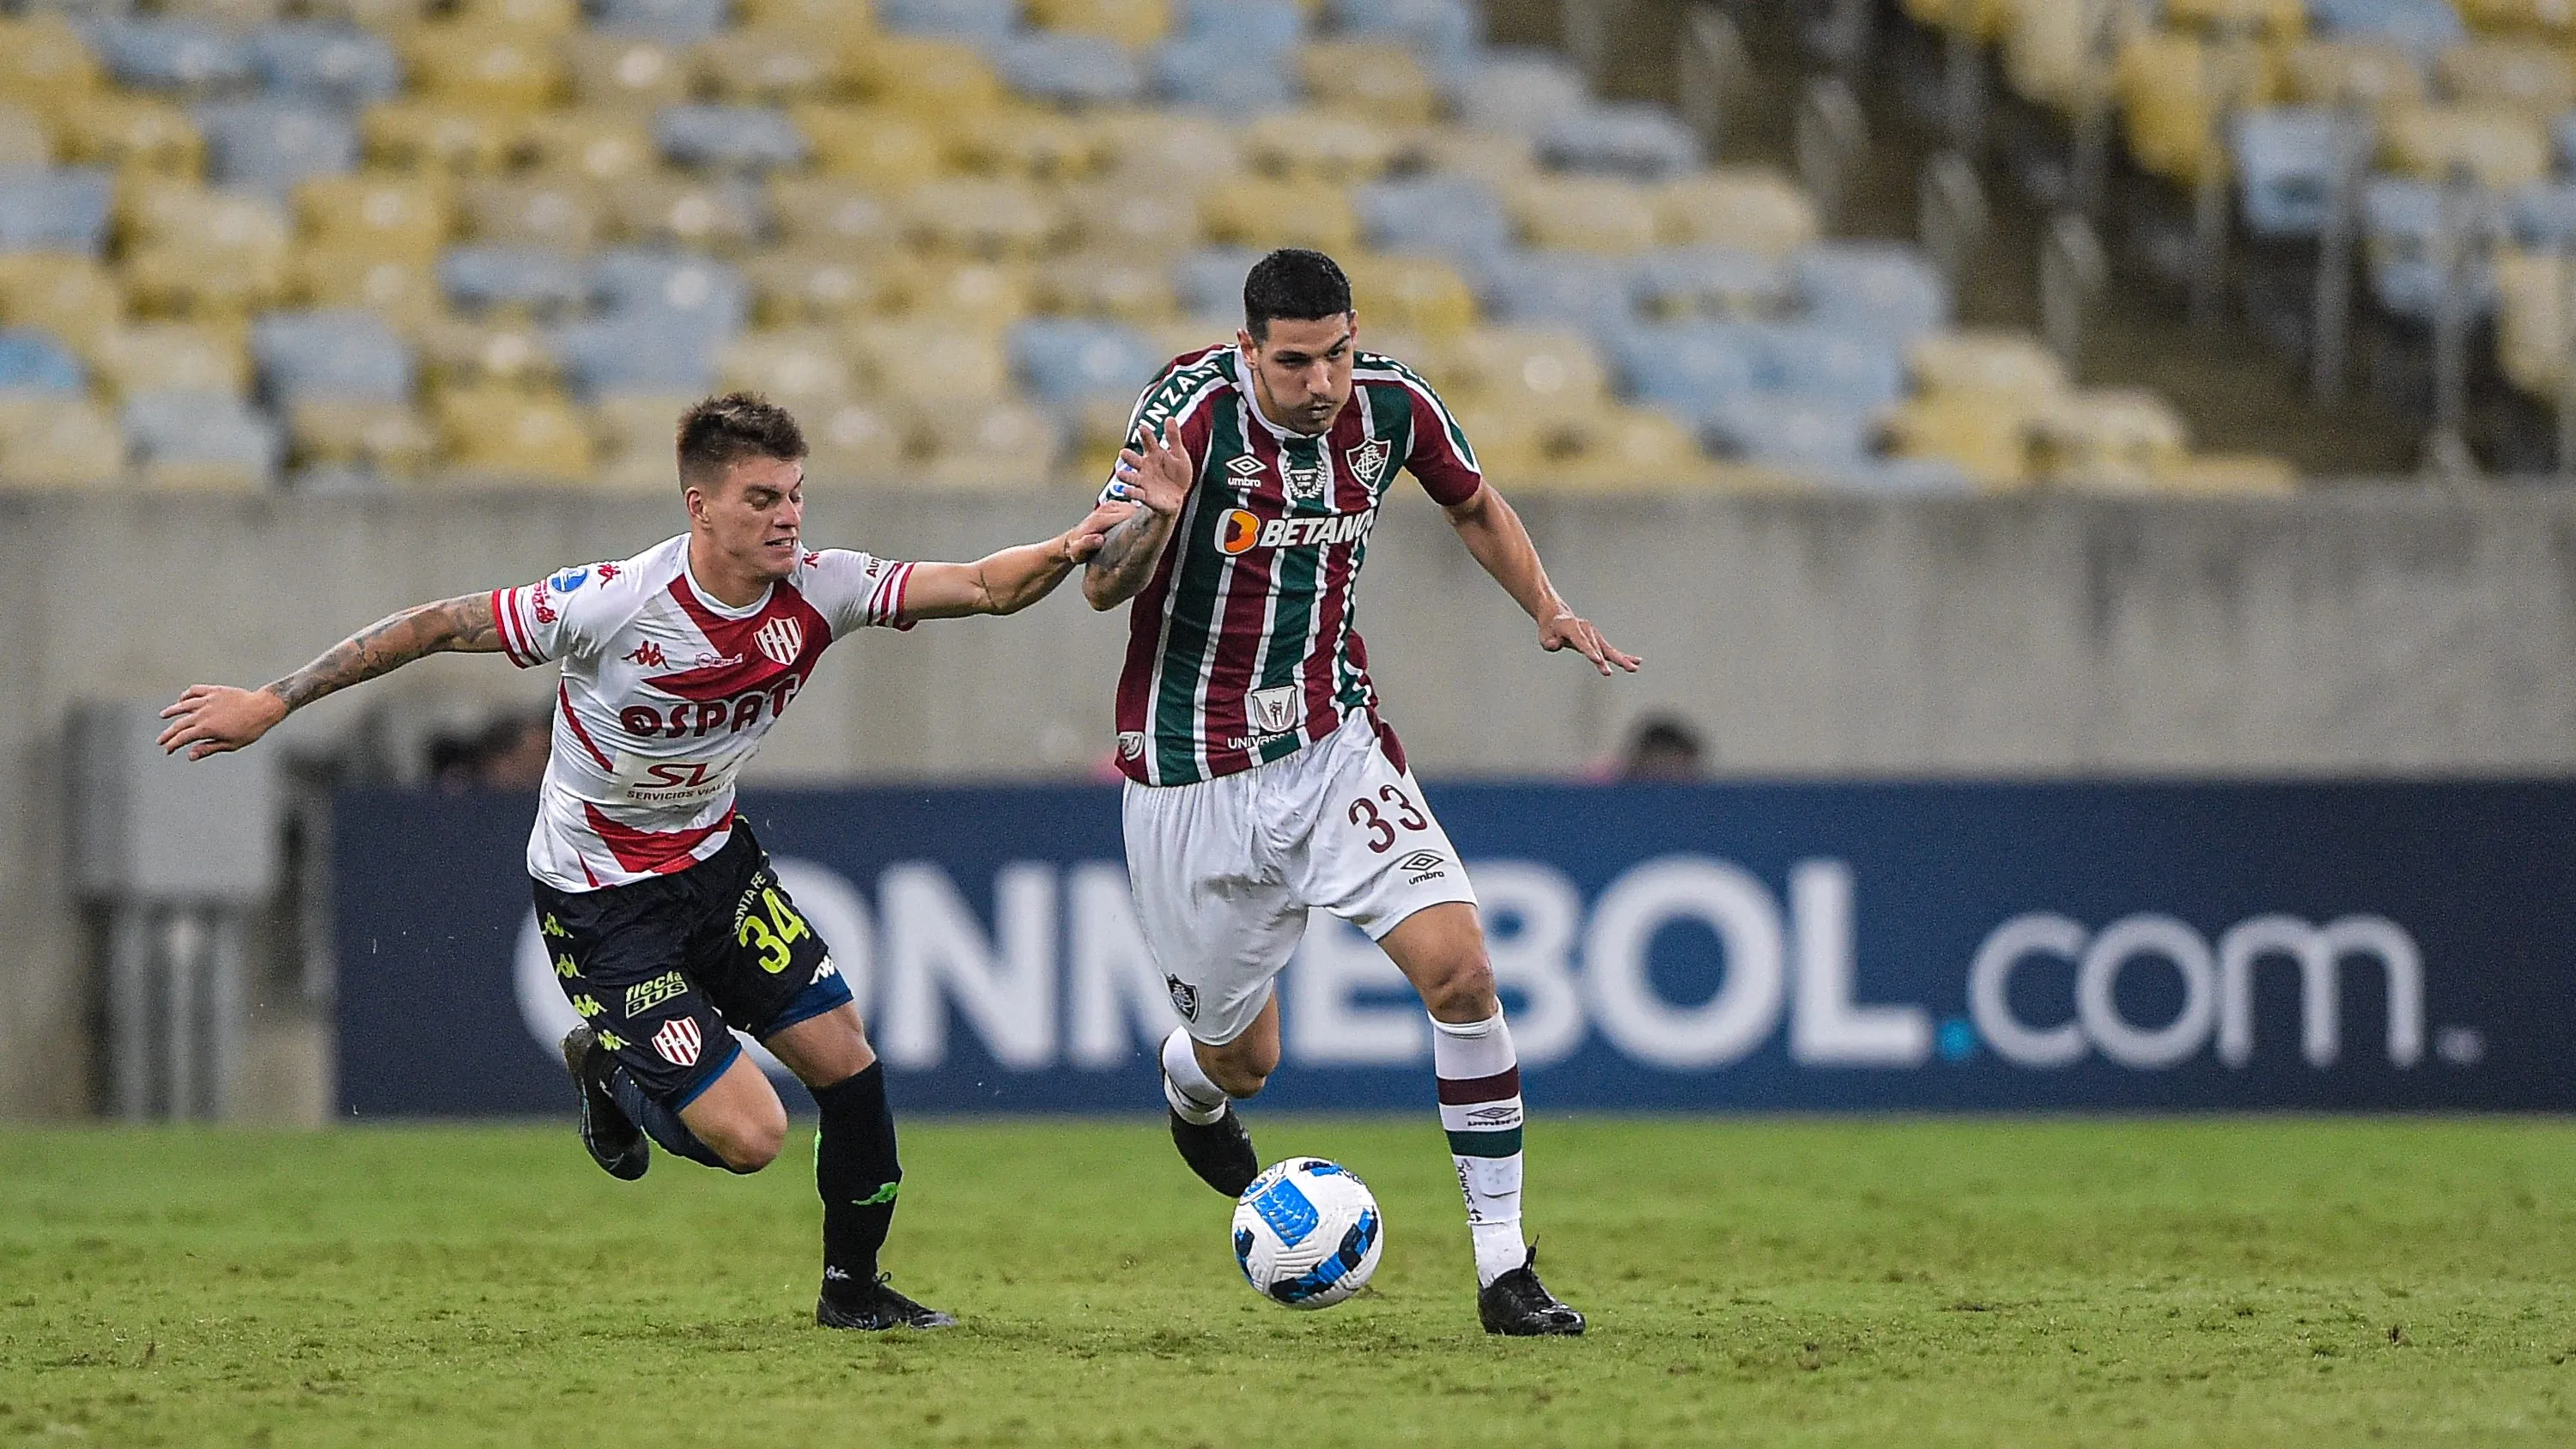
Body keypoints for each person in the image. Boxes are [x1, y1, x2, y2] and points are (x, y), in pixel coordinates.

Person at [157, 393, 1126, 1332]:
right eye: (761, 499)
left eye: (794, 494)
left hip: (717, 866)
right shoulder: (613, 604)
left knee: (850, 1061)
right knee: (752, 1140)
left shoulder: (822, 587)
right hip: (603, 898)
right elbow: (435, 626)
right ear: (700, 506)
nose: (787, 518)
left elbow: (985, 586)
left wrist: (1071, 543)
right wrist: (274, 701)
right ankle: (612, 1070)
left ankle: (854, 1288)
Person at [1080, 248, 1640, 1336]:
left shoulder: (1392, 406)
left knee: (1464, 972)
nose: (1321, 382)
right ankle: (1187, 1081)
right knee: (1245, 1062)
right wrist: (1156, 514)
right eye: (1294, 363)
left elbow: (1475, 505)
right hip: (1192, 784)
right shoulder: (1184, 414)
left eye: (1335, 353)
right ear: (1249, 351)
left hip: (1337, 749)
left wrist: (1546, 604)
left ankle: (1503, 1266)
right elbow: (1103, 586)